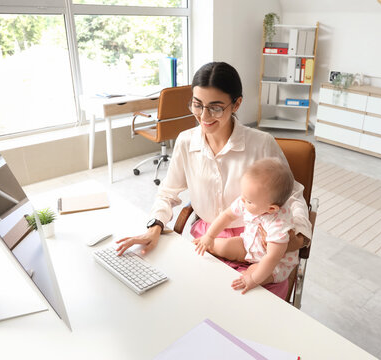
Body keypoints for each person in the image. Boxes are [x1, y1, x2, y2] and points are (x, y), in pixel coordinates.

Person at [116, 61, 312, 299]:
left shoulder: (261, 143)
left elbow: (293, 195)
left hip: (259, 244)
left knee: (253, 310)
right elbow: (167, 193)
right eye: (197, 105)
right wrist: (155, 226)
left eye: (215, 108)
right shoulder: (186, 141)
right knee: (190, 299)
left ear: (237, 103)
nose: (204, 116)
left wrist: (298, 237)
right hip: (207, 238)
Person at [194, 158, 299, 295]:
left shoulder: (279, 225)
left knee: (254, 273)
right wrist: (209, 236)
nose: (242, 201)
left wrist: (253, 279)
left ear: (271, 209)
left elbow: (271, 258)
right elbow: (227, 216)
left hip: (274, 263)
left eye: (249, 200)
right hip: (248, 244)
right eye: (243, 195)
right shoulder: (247, 200)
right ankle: (204, 243)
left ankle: (251, 276)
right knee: (220, 245)